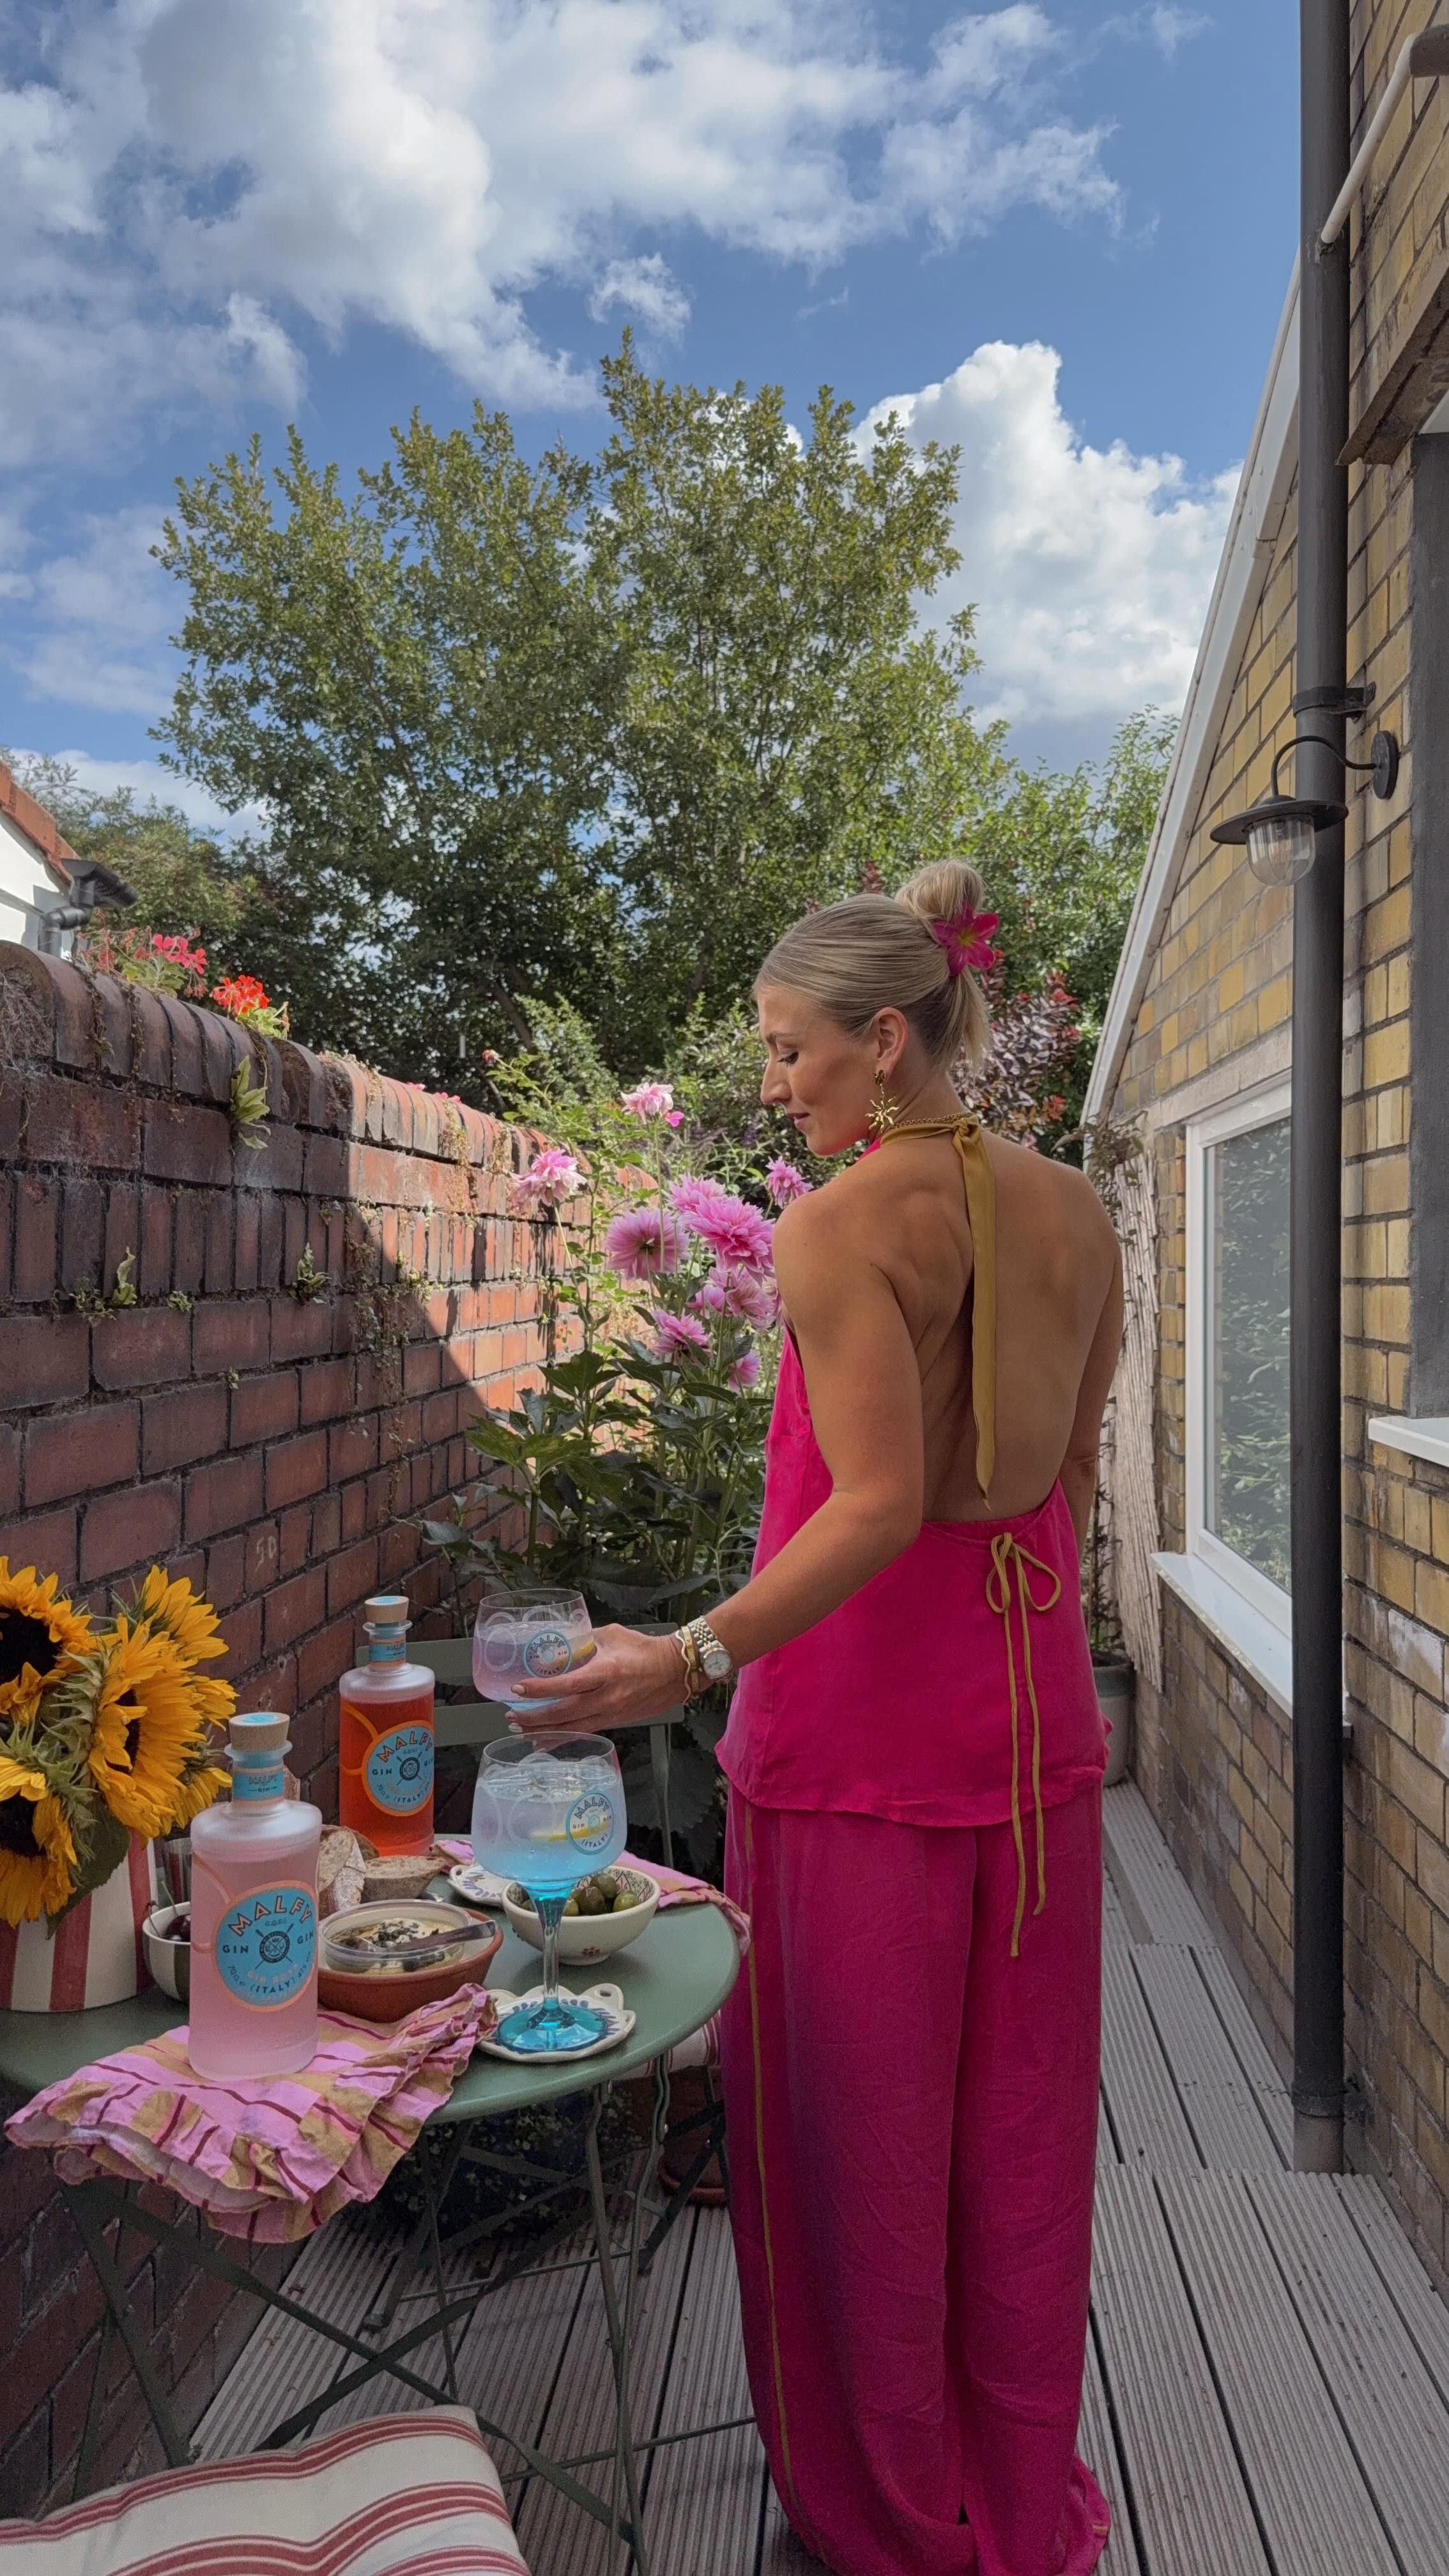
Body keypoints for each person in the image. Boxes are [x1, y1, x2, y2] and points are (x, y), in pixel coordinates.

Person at [512, 859, 1123, 2576]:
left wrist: (688, 1653)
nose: (770, 1082)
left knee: (846, 2153)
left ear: (882, 1038)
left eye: (788, 1050)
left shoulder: (840, 1222)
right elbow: (1060, 1479)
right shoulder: (1078, 1211)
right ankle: (1006, 2497)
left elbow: (868, 1505)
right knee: (1011, 2148)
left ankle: (884, 2522)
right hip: (1032, 1742)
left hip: (855, 1745)